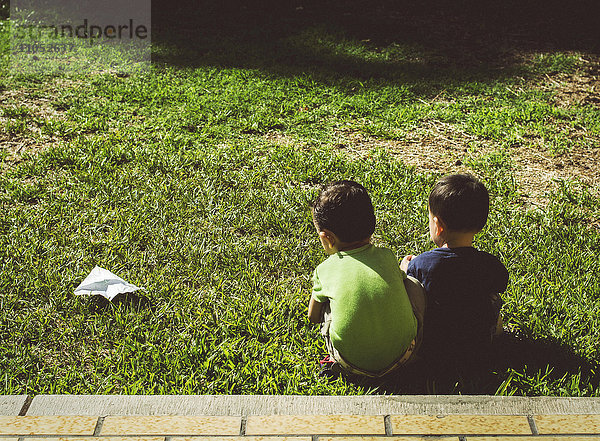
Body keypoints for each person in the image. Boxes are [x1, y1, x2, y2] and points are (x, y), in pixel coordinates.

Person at [308, 180, 424, 377]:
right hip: (404, 356)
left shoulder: (325, 270)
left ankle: (338, 360)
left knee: (327, 302)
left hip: (351, 364)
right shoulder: (387, 256)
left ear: (327, 237)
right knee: (411, 283)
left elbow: (313, 316)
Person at [400, 174, 509, 361]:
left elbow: (412, 284)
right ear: (480, 224)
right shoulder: (489, 264)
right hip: (480, 346)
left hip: (433, 347)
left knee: (410, 288)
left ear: (438, 225)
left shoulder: (422, 264)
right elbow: (501, 281)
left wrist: (405, 269)